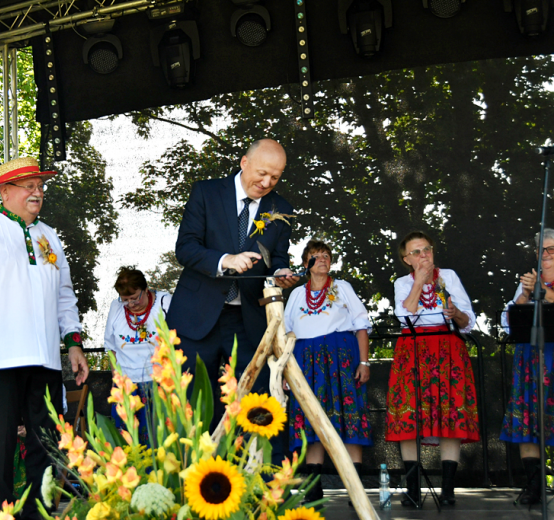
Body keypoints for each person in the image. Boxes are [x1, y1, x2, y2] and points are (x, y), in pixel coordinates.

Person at [0, 157, 89, 520]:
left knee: (46, 443)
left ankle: (38, 514)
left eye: (40, 186)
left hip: (44, 359)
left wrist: (73, 343)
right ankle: (3, 515)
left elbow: (64, 295)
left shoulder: (49, 236)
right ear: (4, 193)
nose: (37, 192)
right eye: (28, 186)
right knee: (0, 444)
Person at [166, 138, 298, 461]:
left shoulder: (281, 209)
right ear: (244, 163)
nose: (267, 183)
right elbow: (185, 247)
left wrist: (282, 273)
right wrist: (225, 259)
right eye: (263, 173)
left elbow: (277, 258)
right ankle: (192, 475)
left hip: (248, 321)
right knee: (195, 402)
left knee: (256, 402)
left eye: (276, 178)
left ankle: (258, 482)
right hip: (198, 319)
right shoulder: (206, 193)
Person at [386, 230, 479, 507]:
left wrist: (456, 314)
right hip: (413, 349)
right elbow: (404, 315)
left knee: (451, 411)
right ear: (406, 259)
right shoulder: (403, 282)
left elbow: (467, 320)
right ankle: (412, 487)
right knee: (409, 412)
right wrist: (420, 283)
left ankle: (448, 488)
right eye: (416, 252)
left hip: (448, 348)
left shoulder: (448, 276)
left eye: (426, 249)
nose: (423, 255)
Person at [283, 240, 372, 504]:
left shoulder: (342, 287)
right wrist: (285, 373)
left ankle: (354, 487)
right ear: (305, 263)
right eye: (315, 256)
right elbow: (286, 334)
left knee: (349, 417)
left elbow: (361, 326)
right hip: (305, 363)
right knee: (312, 420)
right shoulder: (298, 294)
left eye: (326, 256)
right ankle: (313, 487)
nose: (322, 259)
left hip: (341, 360)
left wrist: (364, 363)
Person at [499, 228, 554, 505]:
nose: (545, 256)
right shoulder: (529, 281)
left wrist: (543, 293)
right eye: (541, 251)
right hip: (530, 359)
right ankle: (535, 485)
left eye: (552, 250)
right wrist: (524, 295)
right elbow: (508, 321)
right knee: (529, 421)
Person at [104, 267, 171, 445]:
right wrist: (117, 380)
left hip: (158, 382)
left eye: (135, 298)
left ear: (146, 289)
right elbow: (111, 348)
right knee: (126, 440)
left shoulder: (165, 302)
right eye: (125, 300)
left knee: (157, 439)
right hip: (126, 384)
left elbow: (178, 341)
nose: (131, 304)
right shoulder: (116, 307)